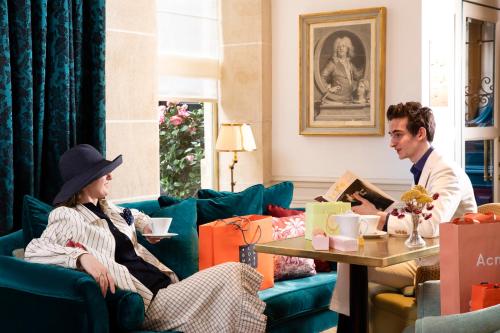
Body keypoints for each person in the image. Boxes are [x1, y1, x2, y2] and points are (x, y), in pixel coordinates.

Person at [24, 144, 266, 333]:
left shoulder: (109, 208)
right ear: (85, 181)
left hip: (169, 286)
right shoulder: (66, 215)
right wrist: (82, 256)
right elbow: (35, 250)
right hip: (150, 302)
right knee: (235, 272)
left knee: (234, 295)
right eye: (103, 173)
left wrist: (146, 225)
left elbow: (134, 214)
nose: (110, 177)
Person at [331, 102, 477, 318]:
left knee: (353, 265)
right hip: (419, 254)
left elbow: (431, 225)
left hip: (437, 263)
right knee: (351, 260)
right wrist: (378, 210)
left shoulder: (446, 172)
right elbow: (418, 216)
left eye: (398, 135)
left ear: (420, 133)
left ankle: (351, 327)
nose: (392, 143)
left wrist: (380, 218)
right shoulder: (424, 168)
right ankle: (354, 325)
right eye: (391, 135)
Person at [320, 36, 364, 103]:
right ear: (336, 50)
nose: (341, 48)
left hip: (350, 98)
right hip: (337, 99)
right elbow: (321, 77)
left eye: (343, 46)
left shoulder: (349, 64)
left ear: (347, 49)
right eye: (339, 47)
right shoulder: (333, 63)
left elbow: (358, 76)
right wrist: (329, 88)